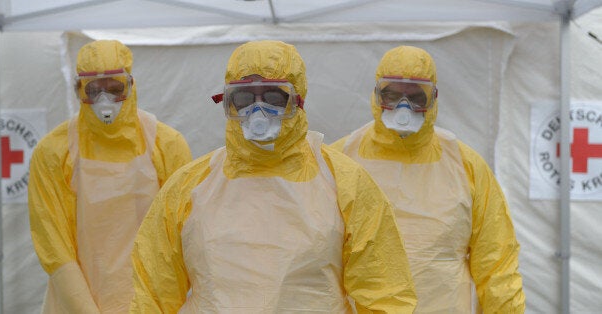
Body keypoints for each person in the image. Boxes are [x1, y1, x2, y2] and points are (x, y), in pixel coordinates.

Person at [130, 40, 417, 313]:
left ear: (297, 100)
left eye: (273, 97)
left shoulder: (345, 182)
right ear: (228, 103)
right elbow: (153, 292)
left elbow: (384, 293)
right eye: (244, 98)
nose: (258, 110)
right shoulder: (189, 186)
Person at [330, 45, 526, 313]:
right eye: (392, 94)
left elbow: (496, 261)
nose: (403, 107)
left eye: (416, 97)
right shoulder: (340, 160)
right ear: (377, 95)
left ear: (433, 98)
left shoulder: (465, 165)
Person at [28, 39, 193, 314]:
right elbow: (54, 245)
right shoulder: (54, 152)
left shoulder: (167, 145)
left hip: (152, 300)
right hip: (72, 303)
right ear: (79, 90)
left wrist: (151, 306)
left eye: (116, 88)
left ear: (131, 85)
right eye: (92, 90)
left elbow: (178, 238)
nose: (104, 100)